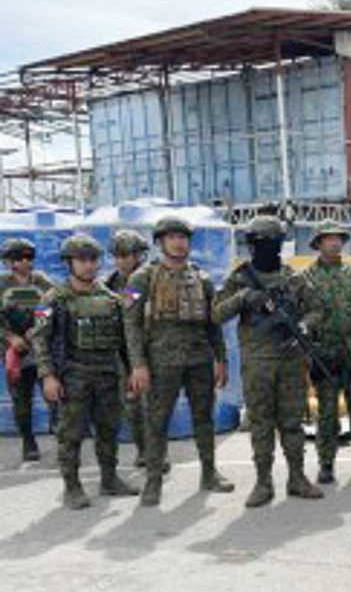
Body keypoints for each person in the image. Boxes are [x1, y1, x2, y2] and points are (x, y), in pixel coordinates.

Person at [213, 215, 322, 508]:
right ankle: (263, 483)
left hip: (290, 360)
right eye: (260, 244)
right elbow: (216, 314)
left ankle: (297, 478)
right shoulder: (239, 279)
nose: (266, 249)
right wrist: (243, 298)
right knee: (261, 424)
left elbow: (315, 311)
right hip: (257, 363)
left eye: (271, 243)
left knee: (292, 423)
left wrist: (303, 327)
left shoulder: (294, 278)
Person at [125, 216, 234, 506]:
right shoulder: (141, 278)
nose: (178, 242)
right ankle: (153, 481)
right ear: (160, 242)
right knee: (156, 420)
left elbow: (213, 324)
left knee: (204, 417)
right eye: (172, 237)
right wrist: (138, 364)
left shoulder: (202, 278)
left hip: (199, 357)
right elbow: (131, 323)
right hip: (161, 360)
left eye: (183, 237)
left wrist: (220, 359)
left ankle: (209, 473)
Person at [31, 235, 137, 509]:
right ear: (70, 263)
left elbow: (127, 335)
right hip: (73, 373)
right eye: (82, 260)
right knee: (71, 432)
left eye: (93, 260)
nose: (89, 266)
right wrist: (48, 376)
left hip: (107, 373)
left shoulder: (111, 297)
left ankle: (109, 478)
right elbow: (39, 337)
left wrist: (132, 371)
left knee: (109, 428)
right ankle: (72, 486)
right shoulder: (53, 298)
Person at [302, 220, 351, 484]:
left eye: (338, 239)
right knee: (327, 412)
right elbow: (302, 317)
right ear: (318, 244)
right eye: (328, 238)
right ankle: (326, 463)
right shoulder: (306, 277)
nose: (334, 243)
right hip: (324, 354)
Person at [105, 229, 163, 469]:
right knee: (133, 407)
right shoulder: (110, 283)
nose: (122, 260)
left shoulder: (152, 277)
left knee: (154, 406)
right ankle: (143, 451)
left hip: (151, 348)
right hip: (123, 352)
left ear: (139, 255)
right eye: (118, 255)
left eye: (127, 254)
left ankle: (158, 453)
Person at [1, 237, 54, 461]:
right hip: (15, 352)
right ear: (10, 262)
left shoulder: (40, 280)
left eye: (29, 257)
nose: (26, 262)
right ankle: (28, 442)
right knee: (21, 401)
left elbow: (52, 306)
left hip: (40, 348)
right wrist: (10, 337)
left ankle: (62, 437)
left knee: (53, 395)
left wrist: (37, 330)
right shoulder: (3, 284)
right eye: (20, 258)